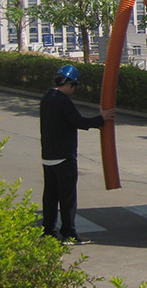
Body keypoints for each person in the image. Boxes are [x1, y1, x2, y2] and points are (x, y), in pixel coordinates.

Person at [40, 65, 115, 244]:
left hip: (48, 157)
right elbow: (78, 121)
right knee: (67, 198)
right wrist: (101, 119)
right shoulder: (63, 101)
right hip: (64, 157)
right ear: (70, 84)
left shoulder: (47, 98)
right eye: (75, 86)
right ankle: (69, 233)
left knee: (50, 196)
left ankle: (48, 231)